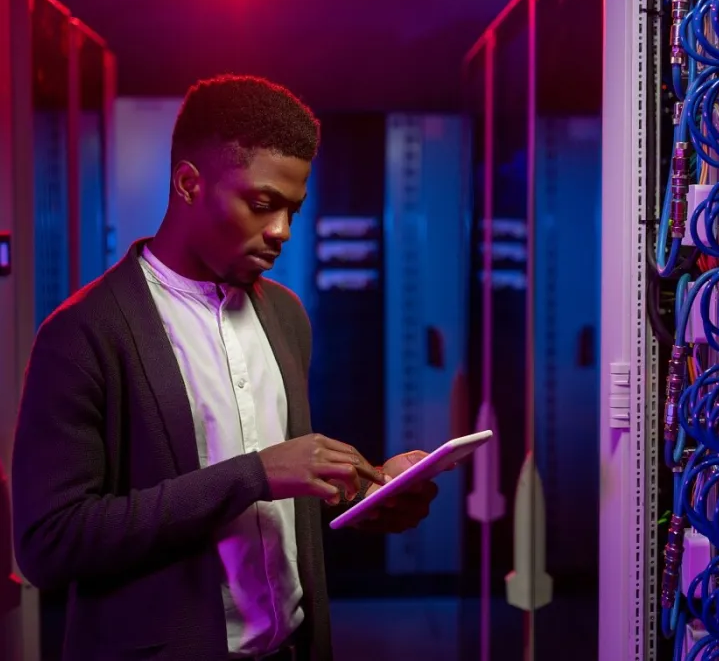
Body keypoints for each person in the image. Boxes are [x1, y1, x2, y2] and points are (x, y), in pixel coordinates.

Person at [11, 74, 438, 661]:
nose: (282, 232)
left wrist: (363, 497)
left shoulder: (285, 315)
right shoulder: (82, 333)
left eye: (293, 209)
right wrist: (254, 473)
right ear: (189, 183)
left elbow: (281, 490)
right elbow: (49, 544)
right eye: (263, 204)